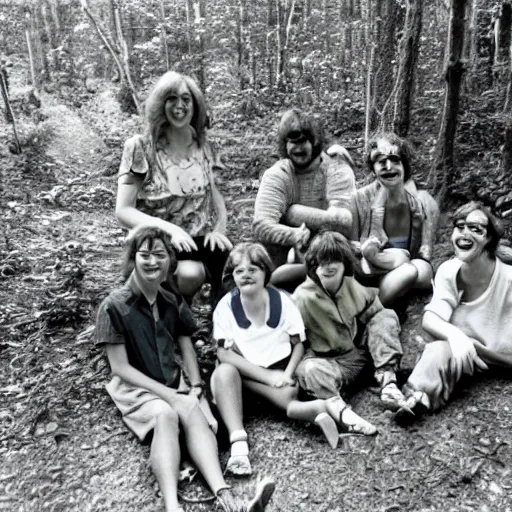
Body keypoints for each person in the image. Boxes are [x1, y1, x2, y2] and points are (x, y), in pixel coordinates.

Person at [95, 227, 275, 512]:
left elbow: (186, 345)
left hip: (172, 381)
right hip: (135, 388)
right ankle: (172, 505)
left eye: (160, 255)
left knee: (195, 412)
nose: (152, 262)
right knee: (165, 414)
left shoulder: (170, 299)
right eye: (145, 255)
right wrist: (172, 397)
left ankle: (226, 497)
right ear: (133, 258)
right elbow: (120, 369)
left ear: (170, 261)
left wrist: (196, 388)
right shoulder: (113, 306)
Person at [211, 243, 341, 476]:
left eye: (253, 269)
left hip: (279, 371)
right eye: (239, 271)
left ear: (266, 272)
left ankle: (313, 410)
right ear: (232, 276)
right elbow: (223, 354)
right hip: (244, 376)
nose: (246, 275)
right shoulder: (226, 307)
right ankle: (239, 443)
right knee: (223, 373)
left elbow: (298, 345)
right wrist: (267, 377)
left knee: (288, 394)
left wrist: (288, 374)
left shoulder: (283, 301)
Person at [116, 71, 232, 304]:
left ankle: (221, 325)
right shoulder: (140, 147)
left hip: (197, 240)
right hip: (156, 241)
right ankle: (169, 317)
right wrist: (172, 230)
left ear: (195, 104)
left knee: (238, 262)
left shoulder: (206, 146)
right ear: (160, 104)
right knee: (191, 274)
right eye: (171, 99)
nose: (179, 106)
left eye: (186, 99)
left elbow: (215, 193)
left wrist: (219, 228)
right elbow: (123, 211)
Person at [395, 202, 512, 423]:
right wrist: (456, 336)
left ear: (489, 239)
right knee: (437, 351)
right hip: (467, 353)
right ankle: (416, 398)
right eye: (460, 227)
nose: (465, 234)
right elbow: (431, 318)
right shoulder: (449, 270)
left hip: (505, 355)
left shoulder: (508, 277)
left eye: (476, 229)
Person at [293, 231, 410, 435]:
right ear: (312, 265)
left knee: (386, 317)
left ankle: (388, 381)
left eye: (333, 260)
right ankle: (343, 413)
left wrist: (373, 334)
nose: (327, 267)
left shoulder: (350, 284)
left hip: (360, 356)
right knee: (309, 369)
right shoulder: (302, 298)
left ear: (344, 263)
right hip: (332, 364)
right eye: (320, 262)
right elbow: (294, 342)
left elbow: (375, 312)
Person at [253, 109, 356, 290]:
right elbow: (261, 225)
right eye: (293, 142)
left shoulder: (336, 168)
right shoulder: (278, 174)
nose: (299, 148)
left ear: (316, 142)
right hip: (289, 250)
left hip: (330, 251)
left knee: (334, 242)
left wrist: (294, 213)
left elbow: (344, 221)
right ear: (284, 145)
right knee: (264, 250)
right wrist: (294, 235)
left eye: (304, 141)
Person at [349, 132, 439, 306]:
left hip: (407, 268)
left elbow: (423, 253)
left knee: (420, 271)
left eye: (395, 160)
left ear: (404, 165)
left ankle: (393, 297)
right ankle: (373, 307)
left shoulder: (420, 202)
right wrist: (370, 250)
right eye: (381, 161)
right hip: (369, 272)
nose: (388, 166)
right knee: (408, 272)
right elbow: (350, 247)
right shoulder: (358, 199)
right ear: (373, 168)